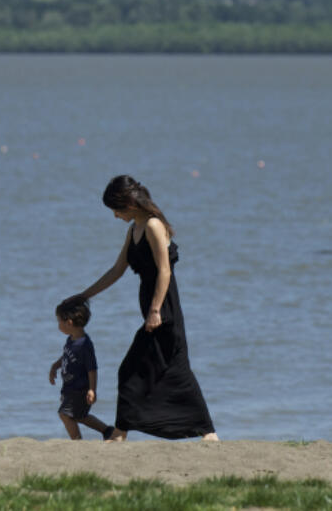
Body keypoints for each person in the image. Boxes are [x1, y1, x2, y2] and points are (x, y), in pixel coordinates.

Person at [76, 175, 218, 441]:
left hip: (164, 310)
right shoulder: (134, 230)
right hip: (154, 309)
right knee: (172, 369)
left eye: (116, 210)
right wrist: (84, 295)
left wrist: (155, 310)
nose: (115, 216)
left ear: (129, 204)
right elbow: (117, 270)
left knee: (137, 368)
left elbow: (165, 271)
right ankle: (207, 433)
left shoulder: (153, 225)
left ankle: (121, 433)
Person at [49, 296, 113, 440]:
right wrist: (55, 366)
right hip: (70, 387)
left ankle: (77, 442)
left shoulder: (84, 345)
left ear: (69, 323)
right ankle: (108, 431)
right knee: (80, 416)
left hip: (79, 389)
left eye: (59, 321)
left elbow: (92, 369)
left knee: (64, 414)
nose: (58, 324)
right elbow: (66, 356)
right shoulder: (71, 339)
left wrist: (92, 389)